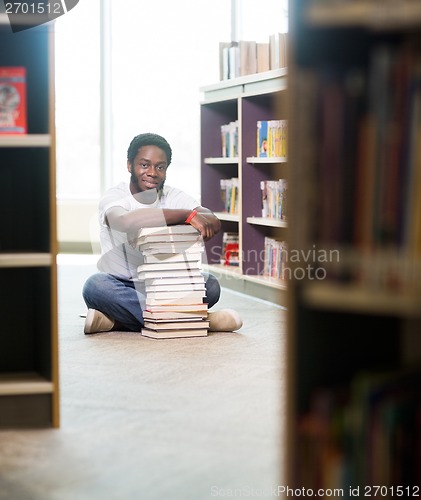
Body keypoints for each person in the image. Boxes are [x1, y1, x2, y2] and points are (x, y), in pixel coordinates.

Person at [82, 132, 243, 334]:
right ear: (129, 165)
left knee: (210, 284)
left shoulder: (173, 195)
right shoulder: (115, 196)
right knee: (95, 287)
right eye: (144, 164)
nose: (152, 172)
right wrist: (186, 215)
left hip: (168, 283)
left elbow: (211, 220)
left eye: (160, 167)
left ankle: (115, 322)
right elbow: (123, 221)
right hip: (121, 284)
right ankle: (200, 320)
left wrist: (195, 215)